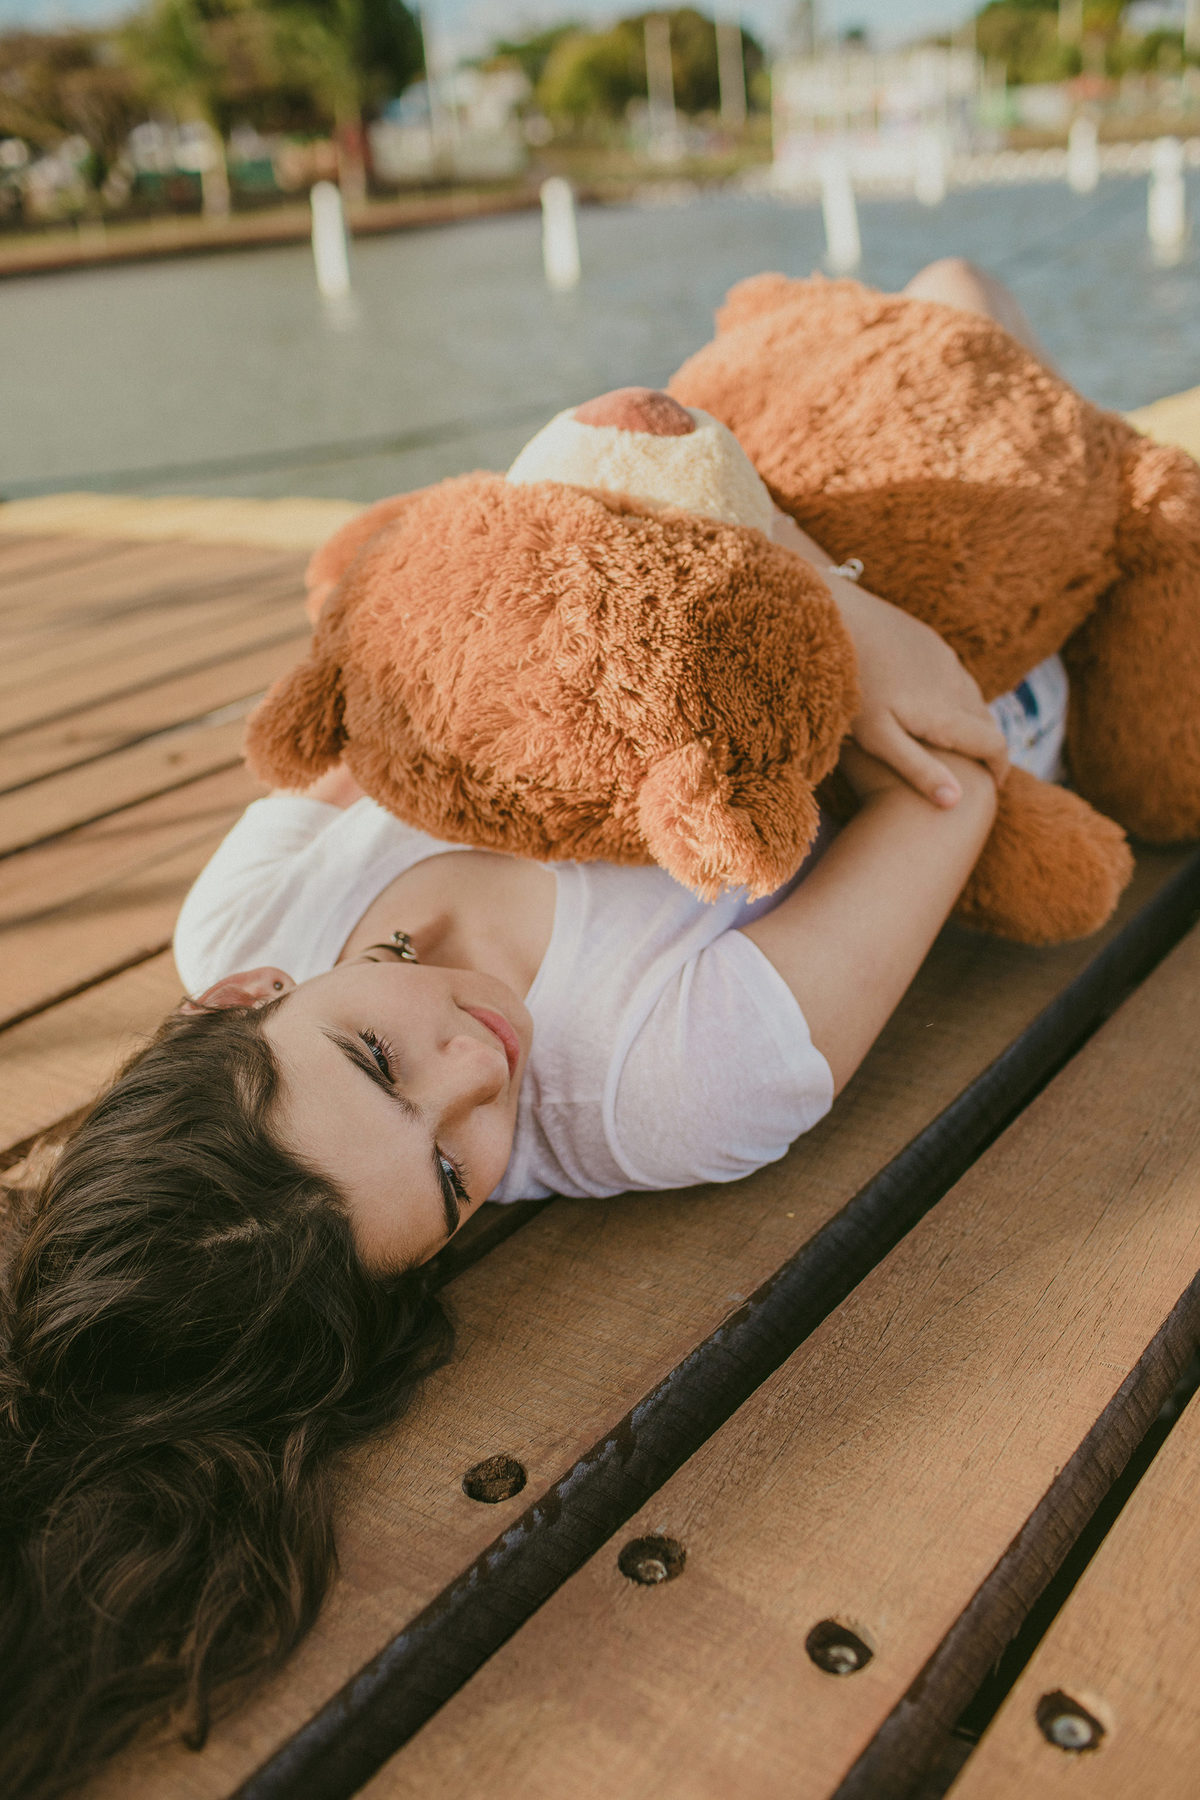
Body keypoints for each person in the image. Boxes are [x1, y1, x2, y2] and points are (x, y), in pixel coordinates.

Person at [0, 259, 1060, 1799]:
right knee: (955, 301)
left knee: (769, 349)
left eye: (374, 1061)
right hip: (964, 653)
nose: (476, 1069)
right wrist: (826, 603)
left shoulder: (234, 930)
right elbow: (957, 786)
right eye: (449, 1180)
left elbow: (413, 667)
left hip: (728, 570)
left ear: (244, 1004)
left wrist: (718, 541)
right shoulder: (671, 1086)